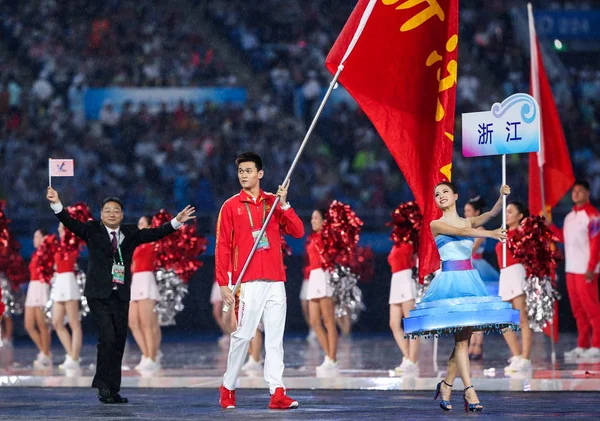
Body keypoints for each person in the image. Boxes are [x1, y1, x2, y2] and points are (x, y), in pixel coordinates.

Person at [46, 186, 195, 404]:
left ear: (122, 214)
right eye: (107, 210)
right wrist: (57, 203)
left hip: (121, 294)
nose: (112, 214)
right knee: (106, 337)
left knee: (118, 341)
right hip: (98, 294)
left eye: (116, 210)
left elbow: (154, 233)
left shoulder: (131, 232)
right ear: (101, 214)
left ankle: (113, 389)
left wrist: (177, 221)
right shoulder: (92, 229)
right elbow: (70, 223)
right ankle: (103, 387)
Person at [403, 182, 519, 413]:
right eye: (437, 194)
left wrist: (501, 196)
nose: (441, 196)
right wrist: (491, 234)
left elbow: (490, 214)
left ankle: (447, 385)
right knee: (461, 341)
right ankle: (469, 390)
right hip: (451, 283)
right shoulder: (437, 223)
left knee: (462, 341)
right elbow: (463, 233)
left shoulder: (468, 220)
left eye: (445, 191)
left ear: (455, 195)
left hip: (470, 280)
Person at [216, 152, 304, 410]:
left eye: (248, 171)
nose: (244, 175)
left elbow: (298, 232)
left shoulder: (273, 203)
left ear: (260, 173)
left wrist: (285, 204)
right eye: (240, 171)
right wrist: (224, 282)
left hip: (276, 280)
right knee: (243, 336)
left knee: (275, 339)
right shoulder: (231, 206)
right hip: (248, 282)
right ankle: (228, 386)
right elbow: (222, 246)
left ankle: (277, 392)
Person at [549, 180, 600, 359]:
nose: (576, 193)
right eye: (574, 191)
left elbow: (596, 243)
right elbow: (563, 237)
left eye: (580, 191)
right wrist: (550, 227)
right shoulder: (569, 217)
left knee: (592, 308)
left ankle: (597, 344)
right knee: (578, 310)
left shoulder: (593, 215)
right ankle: (583, 345)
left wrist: (591, 267)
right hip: (571, 269)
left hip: (586, 269)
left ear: (587, 193)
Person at [497, 201, 533, 373]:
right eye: (506, 211)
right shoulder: (502, 234)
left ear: (520, 216)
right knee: (504, 320)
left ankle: (526, 358)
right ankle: (517, 355)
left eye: (511, 211)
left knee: (522, 318)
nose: (507, 214)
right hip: (504, 275)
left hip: (517, 272)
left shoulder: (523, 234)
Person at [463, 196, 500, 360]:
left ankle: (478, 343)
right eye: (464, 211)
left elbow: (469, 252)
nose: (466, 214)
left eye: (469, 211)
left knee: (479, 309)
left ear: (477, 213)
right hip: (466, 269)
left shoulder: (480, 230)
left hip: (477, 269)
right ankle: (472, 343)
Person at [306, 209, 339, 375]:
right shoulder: (312, 238)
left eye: (316, 218)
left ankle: (332, 359)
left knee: (328, 321)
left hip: (324, 275)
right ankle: (329, 357)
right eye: (312, 218)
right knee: (314, 321)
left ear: (324, 221)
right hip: (313, 277)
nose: (313, 221)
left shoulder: (327, 238)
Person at [129, 216, 161, 372]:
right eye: (138, 223)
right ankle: (146, 355)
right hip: (136, 282)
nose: (139, 226)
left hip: (146, 280)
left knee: (147, 323)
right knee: (133, 322)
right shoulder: (137, 244)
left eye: (142, 223)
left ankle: (152, 358)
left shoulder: (152, 242)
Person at [52, 222, 84, 370]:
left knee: (74, 323)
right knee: (57, 322)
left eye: (62, 226)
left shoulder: (72, 244)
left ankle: (74, 358)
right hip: (59, 282)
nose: (59, 228)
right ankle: (71, 354)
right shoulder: (58, 245)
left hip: (69, 281)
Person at [388, 239, 419, 375]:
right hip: (396, 280)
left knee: (411, 324)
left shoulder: (412, 240)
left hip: (406, 279)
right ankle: (408, 358)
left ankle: (412, 360)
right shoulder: (397, 242)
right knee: (394, 324)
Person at [24, 229, 52, 368]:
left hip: (42, 288)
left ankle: (45, 354)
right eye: (34, 236)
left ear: (44, 238)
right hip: (32, 288)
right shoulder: (35, 254)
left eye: (37, 236)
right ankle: (44, 351)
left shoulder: (47, 254)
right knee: (28, 325)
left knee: (42, 325)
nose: (34, 239)